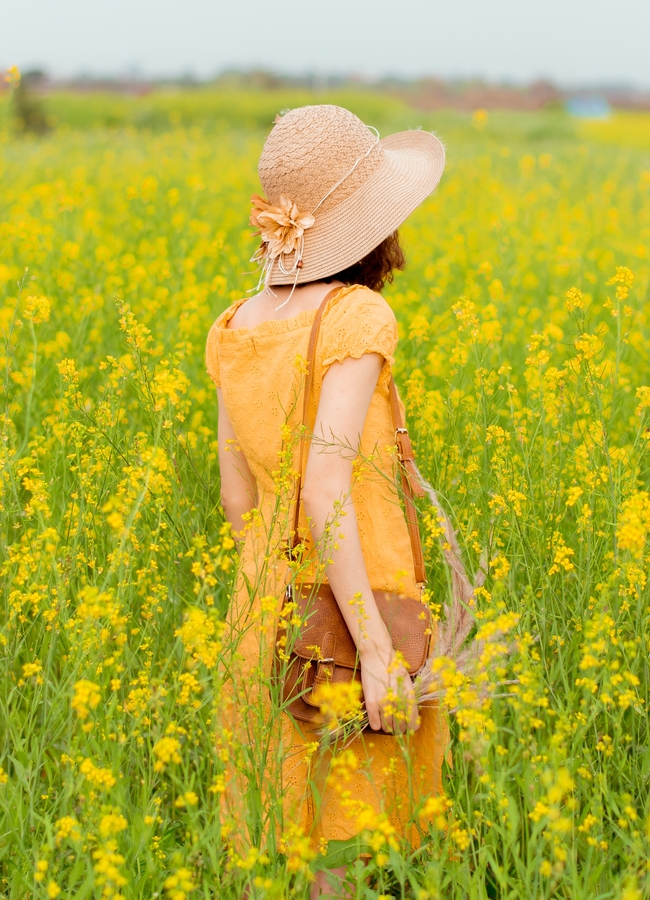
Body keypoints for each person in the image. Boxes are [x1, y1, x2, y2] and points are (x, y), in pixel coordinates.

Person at [206, 105, 447, 898]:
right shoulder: (357, 315)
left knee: (276, 831)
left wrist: (277, 591)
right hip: (352, 607)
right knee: (340, 854)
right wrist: (373, 646)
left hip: (264, 606)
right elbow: (326, 485)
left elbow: (238, 492)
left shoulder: (233, 325)